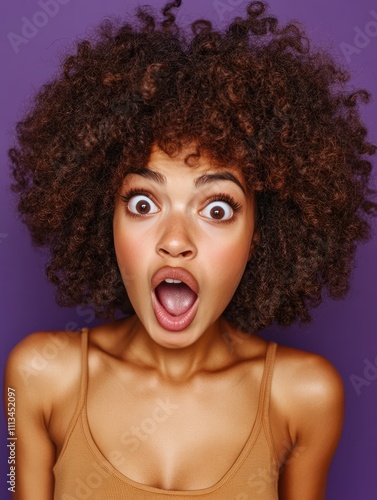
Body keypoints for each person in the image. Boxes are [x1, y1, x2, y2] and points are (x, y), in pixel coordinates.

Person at [4, 0, 376, 498]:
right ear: (104, 215)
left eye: (217, 209)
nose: (175, 241)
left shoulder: (303, 395)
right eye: (142, 202)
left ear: (260, 232)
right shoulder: (38, 375)